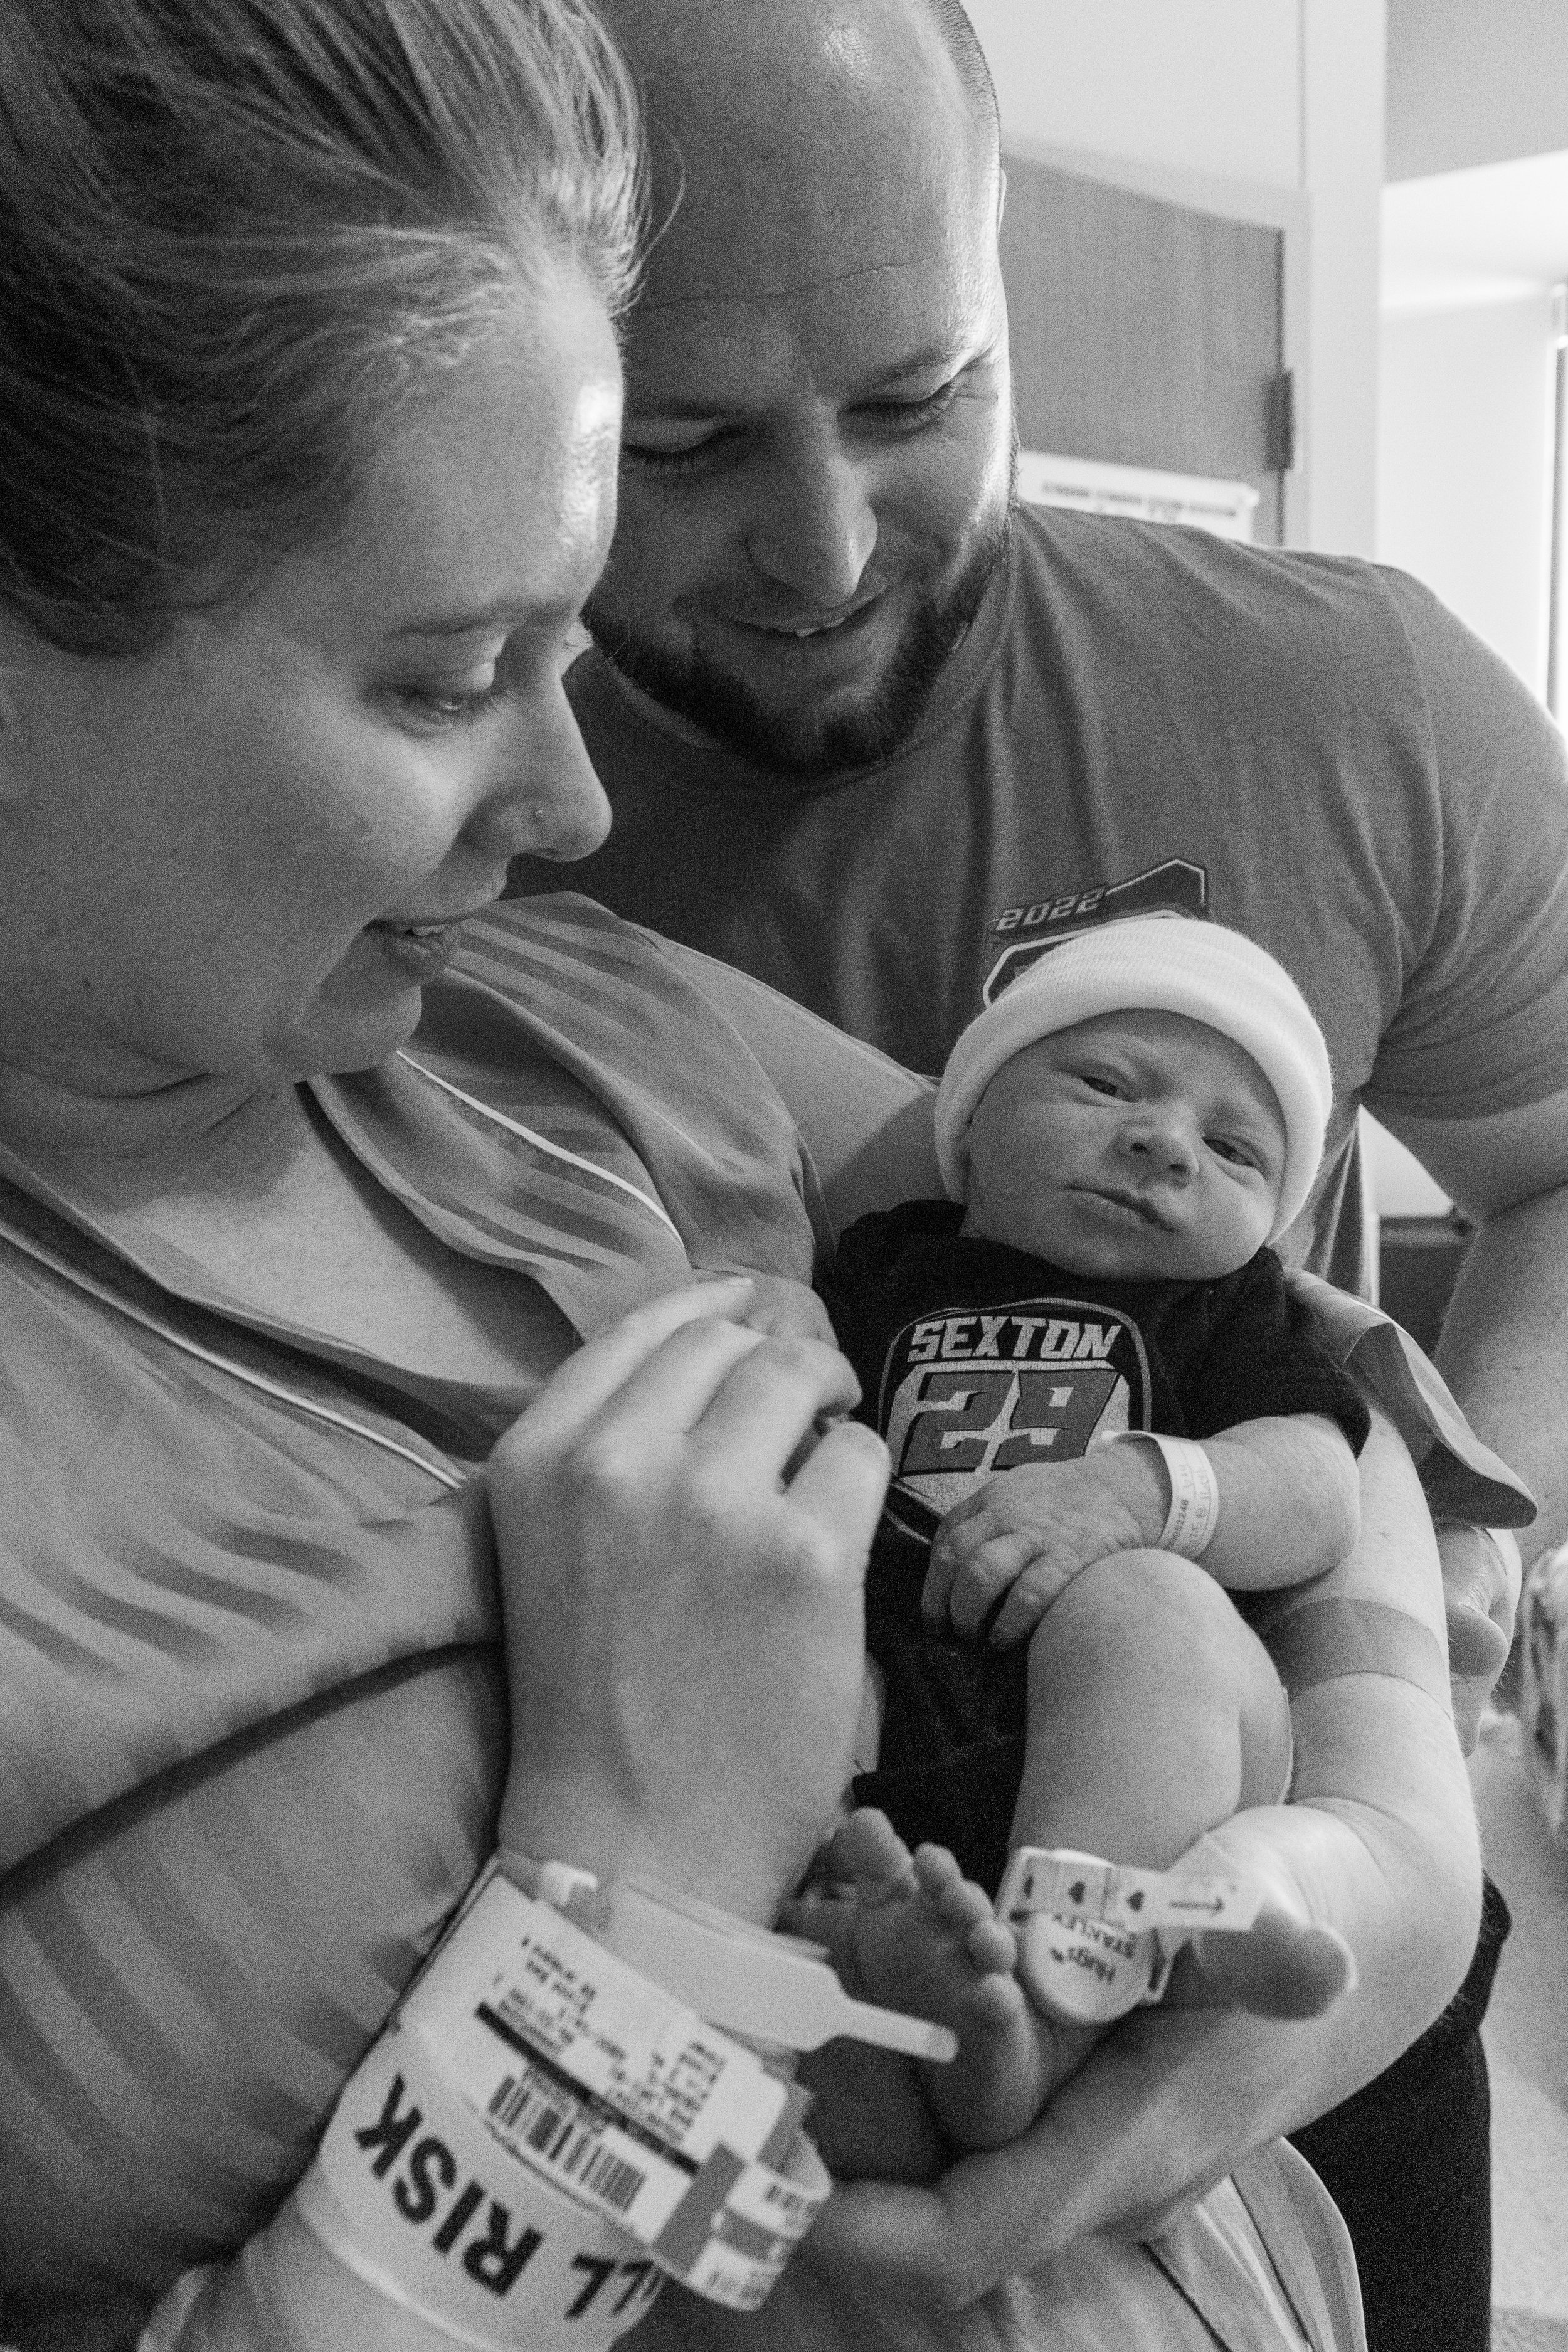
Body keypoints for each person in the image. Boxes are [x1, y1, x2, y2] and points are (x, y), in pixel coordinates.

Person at [0, 4, 1483, 2350]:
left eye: (567, 640)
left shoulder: (574, 1020)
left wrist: (1391, 1845)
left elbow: (1246, 1347)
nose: (579, 808)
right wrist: (629, 1878)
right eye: (445, 674)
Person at [506, 2, 1564, 2341]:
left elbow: (1553, 1178)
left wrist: (1425, 1631)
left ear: (1011, 287)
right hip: (779, 1916)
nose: (822, 544)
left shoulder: (1365, 701)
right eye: (680, 443)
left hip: (1289, 1948)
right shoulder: (451, 802)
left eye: (918, 397)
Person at [796, 918, 1368, 2170]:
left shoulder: (1225, 1309)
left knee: (1145, 1609)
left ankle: (1058, 2021)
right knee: (782, 1639)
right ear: (972, 1111)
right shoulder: (886, 1264)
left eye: (1230, 1148)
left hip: (1133, 1731)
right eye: (1105, 1084)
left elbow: (1320, 1492)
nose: (1162, 1141)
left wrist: (1130, 1493)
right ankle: (873, 1955)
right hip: (890, 1700)